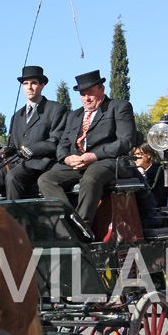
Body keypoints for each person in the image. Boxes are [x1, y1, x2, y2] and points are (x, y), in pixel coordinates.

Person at [38, 69, 138, 227]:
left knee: (91, 177)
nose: (86, 98)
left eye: (90, 93)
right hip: (78, 164)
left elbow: (126, 141)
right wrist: (67, 158)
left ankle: (82, 227)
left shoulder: (119, 107)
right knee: (46, 179)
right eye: (83, 94)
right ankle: (68, 223)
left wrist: (94, 156)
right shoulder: (73, 115)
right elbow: (63, 143)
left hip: (108, 163)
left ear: (102, 89)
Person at [0, 65, 67, 201]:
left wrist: (32, 149)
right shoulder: (17, 115)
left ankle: (14, 218)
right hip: (18, 162)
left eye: (34, 83)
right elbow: (14, 145)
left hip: (42, 163)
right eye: (26, 84)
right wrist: (6, 150)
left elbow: (56, 140)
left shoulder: (56, 109)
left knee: (13, 176)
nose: (29, 87)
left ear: (42, 86)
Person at [133, 142, 167, 208]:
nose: (135, 158)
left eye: (138, 154)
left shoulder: (160, 171)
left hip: (154, 208)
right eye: (133, 155)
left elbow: (161, 195)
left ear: (148, 155)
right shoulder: (133, 171)